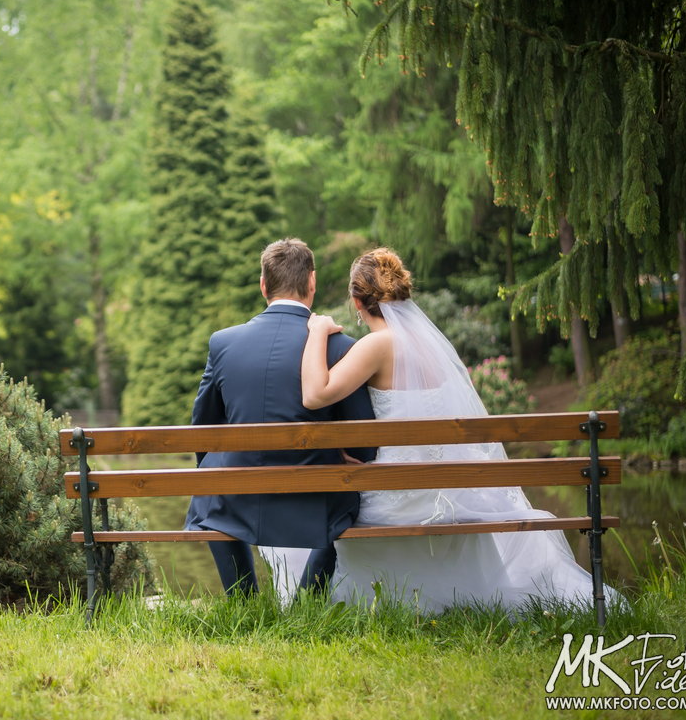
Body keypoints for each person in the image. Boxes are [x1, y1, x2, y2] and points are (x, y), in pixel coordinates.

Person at [261, 247, 621, 611]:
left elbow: (314, 393)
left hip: (403, 499)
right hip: (453, 490)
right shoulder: (433, 347)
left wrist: (318, 331)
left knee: (316, 504)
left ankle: (307, 605)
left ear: (357, 302)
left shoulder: (378, 345)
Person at [184, 238, 376, 596]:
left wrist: (222, 472)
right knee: (342, 505)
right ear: (312, 282)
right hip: (315, 498)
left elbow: (203, 428)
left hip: (237, 494)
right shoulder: (341, 346)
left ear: (263, 285)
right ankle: (307, 602)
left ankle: (243, 601)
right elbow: (364, 447)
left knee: (209, 487)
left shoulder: (223, 343)